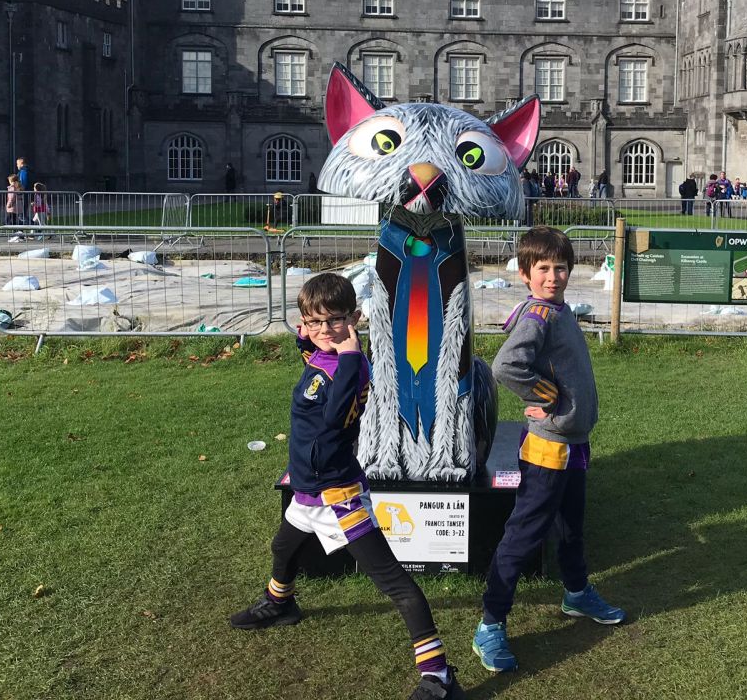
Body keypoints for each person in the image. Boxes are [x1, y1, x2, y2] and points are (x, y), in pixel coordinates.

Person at [230, 273, 465, 700]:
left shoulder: (350, 367)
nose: (325, 330)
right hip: (308, 489)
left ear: (355, 318)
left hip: (339, 497)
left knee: (395, 584)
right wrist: (309, 340)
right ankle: (281, 602)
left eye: (335, 320)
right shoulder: (323, 355)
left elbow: (338, 416)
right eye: (313, 321)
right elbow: (314, 350)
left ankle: (439, 676)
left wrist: (354, 356)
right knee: (283, 548)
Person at [473, 227, 625, 674]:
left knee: (572, 527)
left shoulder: (557, 310)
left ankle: (576, 594)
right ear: (525, 274)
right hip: (548, 450)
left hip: (573, 444)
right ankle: (491, 623)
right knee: (523, 536)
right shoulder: (537, 316)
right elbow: (505, 366)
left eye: (560, 267)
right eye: (543, 269)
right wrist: (544, 396)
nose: (553, 276)